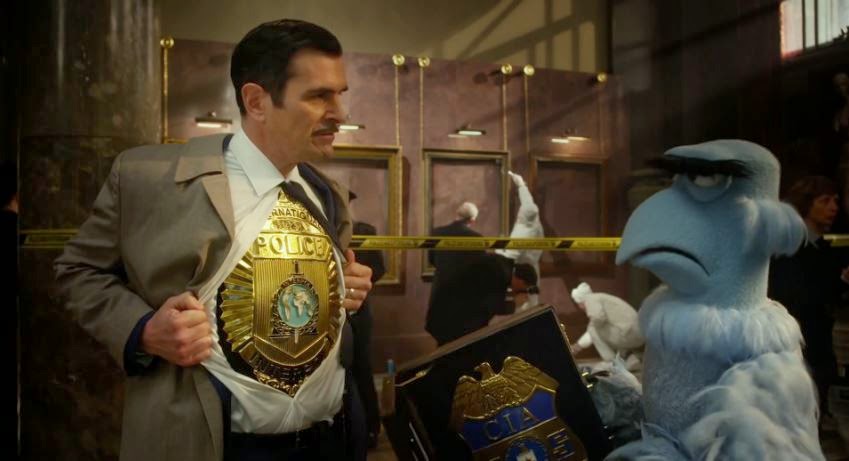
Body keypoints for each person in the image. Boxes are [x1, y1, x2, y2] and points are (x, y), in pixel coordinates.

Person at [53, 19, 375, 461]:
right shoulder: (150, 178)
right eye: (319, 96)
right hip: (216, 445)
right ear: (257, 101)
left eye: (340, 94)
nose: (340, 113)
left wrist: (341, 289)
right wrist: (142, 330)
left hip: (328, 441)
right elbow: (77, 271)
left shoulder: (326, 194)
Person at [769, 175, 849, 419]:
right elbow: (797, 297)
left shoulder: (822, 248)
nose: (833, 207)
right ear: (805, 204)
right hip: (795, 350)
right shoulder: (789, 248)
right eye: (825, 201)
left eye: (836, 201)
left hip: (818, 348)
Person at [425, 202, 515, 345]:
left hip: (441, 299)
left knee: (444, 347)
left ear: (457, 214)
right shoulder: (476, 238)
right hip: (465, 302)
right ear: (472, 220)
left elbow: (432, 259)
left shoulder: (436, 232)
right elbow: (480, 269)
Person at [347, 191, 386, 449]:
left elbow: (379, 268)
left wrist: (360, 283)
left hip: (359, 311)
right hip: (331, 311)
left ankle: (371, 427)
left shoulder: (364, 231)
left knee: (361, 367)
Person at [496, 171, 544, 282]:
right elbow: (527, 201)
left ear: (521, 215)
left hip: (522, 272)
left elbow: (508, 256)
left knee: (524, 290)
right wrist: (521, 184)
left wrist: (498, 247)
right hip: (533, 266)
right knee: (533, 289)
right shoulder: (534, 218)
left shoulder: (521, 234)